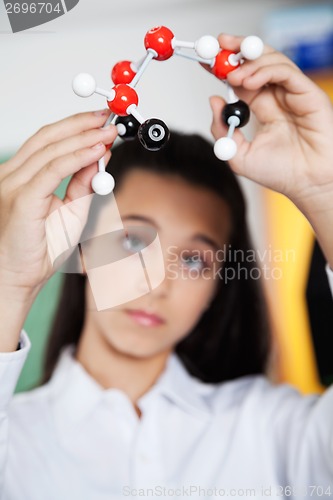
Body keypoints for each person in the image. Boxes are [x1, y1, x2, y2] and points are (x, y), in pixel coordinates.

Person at [0, 34, 332, 500]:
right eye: (134, 239)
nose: (159, 284)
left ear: (220, 284)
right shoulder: (13, 442)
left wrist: (325, 192)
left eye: (195, 259)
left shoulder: (274, 432)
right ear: (82, 245)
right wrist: (8, 287)